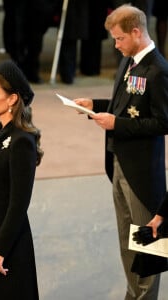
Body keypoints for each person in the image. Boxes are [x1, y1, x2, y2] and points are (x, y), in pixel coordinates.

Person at [74, 4, 168, 299]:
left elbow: (163, 122)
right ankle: (133, 293)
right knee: (127, 240)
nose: (115, 45)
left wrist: (117, 124)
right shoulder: (129, 61)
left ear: (136, 32)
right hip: (119, 163)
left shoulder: (158, 71)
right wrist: (96, 106)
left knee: (146, 245)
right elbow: (128, 105)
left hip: (142, 173)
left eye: (119, 39)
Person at [0, 60, 43, 300]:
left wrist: (1, 249)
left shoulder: (21, 141)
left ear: (13, 98)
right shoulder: (2, 133)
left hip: (10, 241)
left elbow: (18, 203)